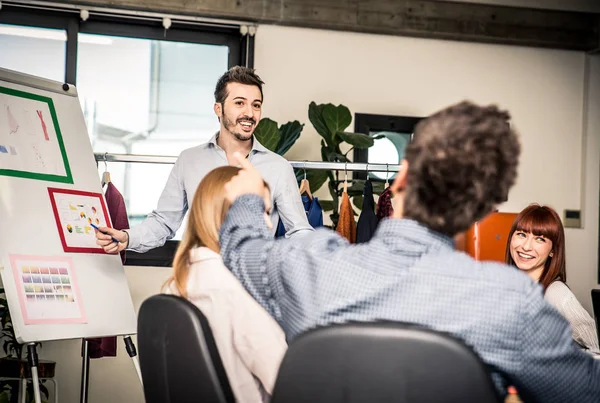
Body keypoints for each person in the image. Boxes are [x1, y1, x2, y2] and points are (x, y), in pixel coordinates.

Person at [218, 101, 600, 402]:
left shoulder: (310, 263)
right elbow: (587, 392)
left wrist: (250, 198)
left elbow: (240, 249)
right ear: (476, 210)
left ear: (398, 179)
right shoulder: (510, 301)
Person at [95, 66, 311, 254]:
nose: (249, 113)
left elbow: (300, 231)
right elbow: (164, 222)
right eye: (239, 103)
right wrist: (128, 237)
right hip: (200, 281)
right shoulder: (189, 160)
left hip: (253, 288)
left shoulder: (278, 168)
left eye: (256, 105)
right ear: (218, 108)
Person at [164, 165, 287, 403]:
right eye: (260, 212)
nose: (269, 225)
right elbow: (290, 382)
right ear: (233, 215)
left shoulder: (176, 284)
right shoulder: (238, 289)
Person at [505, 203, 600, 354]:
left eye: (540, 239)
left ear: (552, 251)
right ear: (511, 238)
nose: (526, 246)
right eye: (522, 234)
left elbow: (597, 343)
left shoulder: (556, 292)